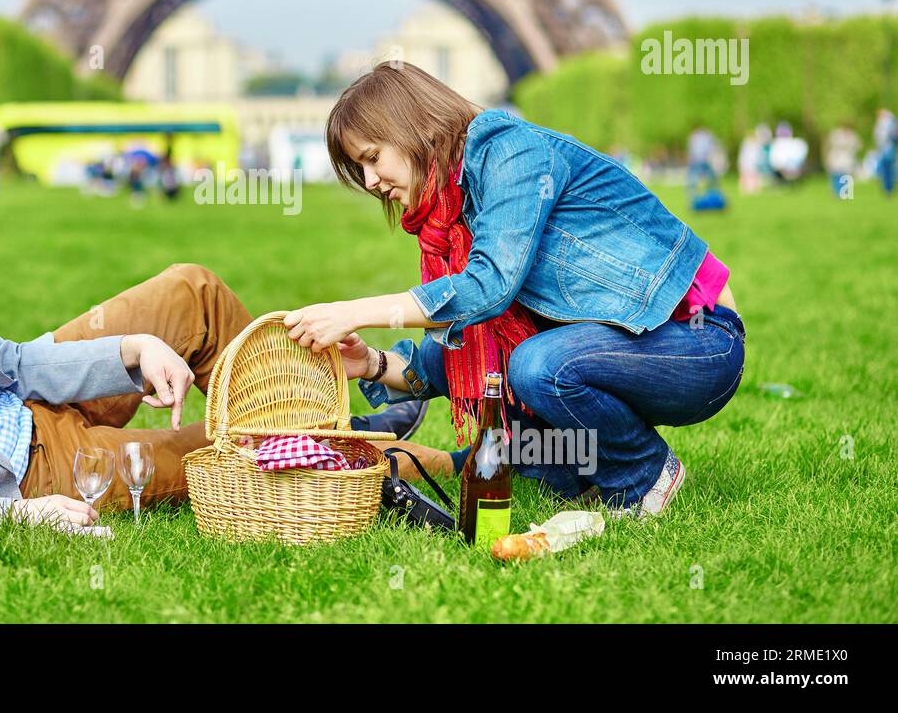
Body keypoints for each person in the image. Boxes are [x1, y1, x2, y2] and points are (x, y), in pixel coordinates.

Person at [0, 141, 447, 537]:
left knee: (192, 290)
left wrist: (128, 353)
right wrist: (17, 517)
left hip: (24, 403)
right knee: (240, 449)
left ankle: (312, 423)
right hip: (29, 473)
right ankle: (377, 452)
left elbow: (9, 363)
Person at [283, 63, 745, 517]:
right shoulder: (451, 211)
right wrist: (370, 363)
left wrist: (354, 310)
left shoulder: (510, 151)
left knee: (535, 366)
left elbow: (488, 288)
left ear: (410, 127)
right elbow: (460, 344)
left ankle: (643, 474)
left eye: (372, 157)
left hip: (699, 341)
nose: (370, 182)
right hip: (628, 348)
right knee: (503, 388)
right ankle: (573, 471)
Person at [824, 122, 861, 198]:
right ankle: (836, 192)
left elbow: (858, 146)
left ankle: (845, 192)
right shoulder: (836, 134)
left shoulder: (853, 136)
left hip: (847, 158)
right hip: (837, 157)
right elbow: (829, 144)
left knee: (846, 175)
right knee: (836, 175)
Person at [875, 109, 896, 197]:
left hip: (888, 150)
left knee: (888, 170)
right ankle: (887, 188)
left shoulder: (889, 124)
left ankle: (888, 188)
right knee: (885, 170)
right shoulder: (881, 124)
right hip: (883, 150)